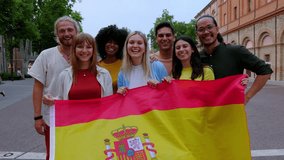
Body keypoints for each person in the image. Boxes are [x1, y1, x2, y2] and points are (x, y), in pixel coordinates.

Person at [28, 16, 80, 160]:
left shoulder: (84, 55)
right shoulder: (46, 55)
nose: (66, 33)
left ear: (77, 32)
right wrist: (38, 117)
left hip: (81, 117)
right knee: (55, 154)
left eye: (70, 30)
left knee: (80, 153)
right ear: (57, 34)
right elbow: (38, 87)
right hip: (54, 117)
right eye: (61, 31)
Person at [195, 15, 273, 103]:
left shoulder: (236, 51)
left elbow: (265, 71)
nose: (206, 32)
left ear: (217, 29)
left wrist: (247, 97)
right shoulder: (196, 58)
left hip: (231, 112)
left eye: (209, 27)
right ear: (197, 34)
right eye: (201, 29)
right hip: (205, 113)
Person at [49, 32, 113, 100]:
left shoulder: (104, 74)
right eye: (80, 47)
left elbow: (109, 102)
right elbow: (61, 100)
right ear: (74, 50)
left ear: (93, 50)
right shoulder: (64, 75)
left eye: (88, 47)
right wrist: (52, 100)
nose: (84, 50)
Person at [95, 25, 128, 91]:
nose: (112, 45)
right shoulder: (96, 66)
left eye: (116, 43)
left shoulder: (125, 65)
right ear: (102, 44)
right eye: (109, 42)